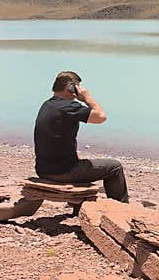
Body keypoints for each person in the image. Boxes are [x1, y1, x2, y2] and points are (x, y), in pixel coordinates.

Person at [33, 70, 129, 203]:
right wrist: (88, 99)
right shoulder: (68, 106)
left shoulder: (48, 104)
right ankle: (121, 209)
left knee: (80, 160)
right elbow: (101, 117)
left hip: (43, 169)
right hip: (62, 172)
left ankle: (78, 208)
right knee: (115, 167)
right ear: (70, 87)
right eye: (78, 86)